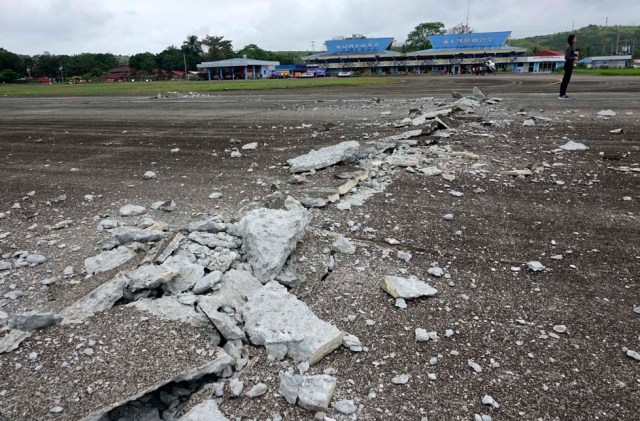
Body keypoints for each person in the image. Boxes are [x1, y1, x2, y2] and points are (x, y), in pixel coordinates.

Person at [559, 34, 578, 99]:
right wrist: (574, 58)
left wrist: (574, 55)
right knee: (565, 80)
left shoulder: (571, 47)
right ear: (572, 39)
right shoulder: (569, 47)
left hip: (569, 65)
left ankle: (563, 94)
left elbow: (569, 55)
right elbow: (566, 57)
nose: (576, 40)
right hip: (568, 65)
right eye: (575, 38)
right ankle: (562, 94)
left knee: (566, 80)